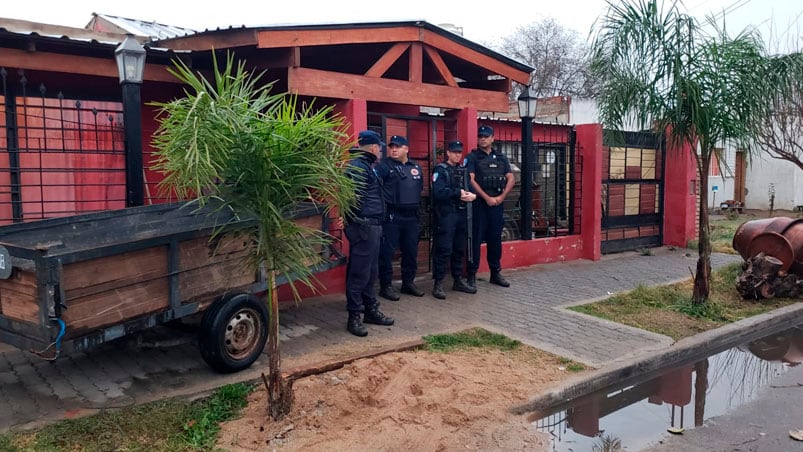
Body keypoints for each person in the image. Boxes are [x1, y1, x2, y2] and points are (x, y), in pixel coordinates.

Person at [342, 130, 395, 337]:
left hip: (372, 227)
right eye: (380, 147)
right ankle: (354, 316)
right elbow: (352, 201)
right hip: (364, 227)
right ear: (373, 148)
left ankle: (370, 309)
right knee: (359, 274)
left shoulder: (366, 166)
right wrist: (357, 226)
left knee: (371, 272)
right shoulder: (358, 167)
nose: (381, 151)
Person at [376, 135, 425, 300]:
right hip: (392, 216)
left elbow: (419, 188)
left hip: (411, 217)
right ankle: (386, 286)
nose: (394, 149)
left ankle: (408, 283)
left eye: (398, 147)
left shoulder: (415, 167)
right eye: (392, 147)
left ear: (406, 149)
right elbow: (375, 190)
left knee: (410, 252)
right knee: (387, 253)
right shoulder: (384, 166)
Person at [466, 125, 515, 288]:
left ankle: (495, 273)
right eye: (480, 136)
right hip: (480, 204)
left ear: (492, 138)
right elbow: (471, 180)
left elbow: (511, 179)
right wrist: (486, 198)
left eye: (486, 136)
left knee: (495, 239)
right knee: (476, 239)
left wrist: (500, 197)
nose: (482, 139)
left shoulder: (501, 157)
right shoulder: (472, 157)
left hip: (496, 204)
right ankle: (472, 275)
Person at [431, 140, 477, 299]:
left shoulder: (462, 170)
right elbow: (438, 192)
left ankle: (457, 279)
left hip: (462, 213)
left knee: (459, 248)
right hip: (446, 215)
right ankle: (438, 283)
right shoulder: (441, 170)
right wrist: (458, 193)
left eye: (459, 152)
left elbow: (468, 188)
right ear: (448, 153)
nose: (457, 155)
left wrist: (472, 195)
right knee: (444, 249)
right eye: (454, 152)